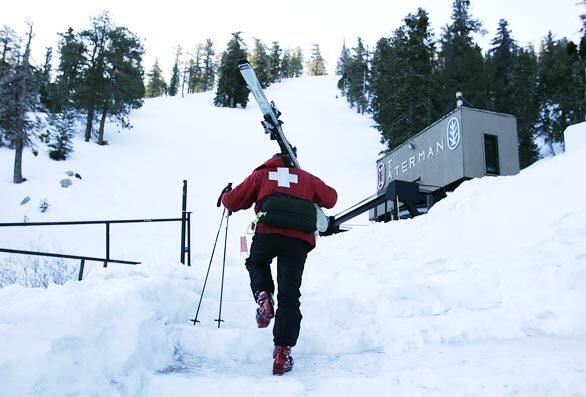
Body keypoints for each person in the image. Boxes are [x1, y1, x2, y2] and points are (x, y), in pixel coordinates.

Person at [221, 153, 337, 375]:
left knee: (256, 262)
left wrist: (225, 195)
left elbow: (235, 200)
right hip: (298, 241)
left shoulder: (262, 175)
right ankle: (282, 352)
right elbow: (331, 199)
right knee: (290, 293)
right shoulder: (306, 177)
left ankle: (263, 295)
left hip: (268, 234)